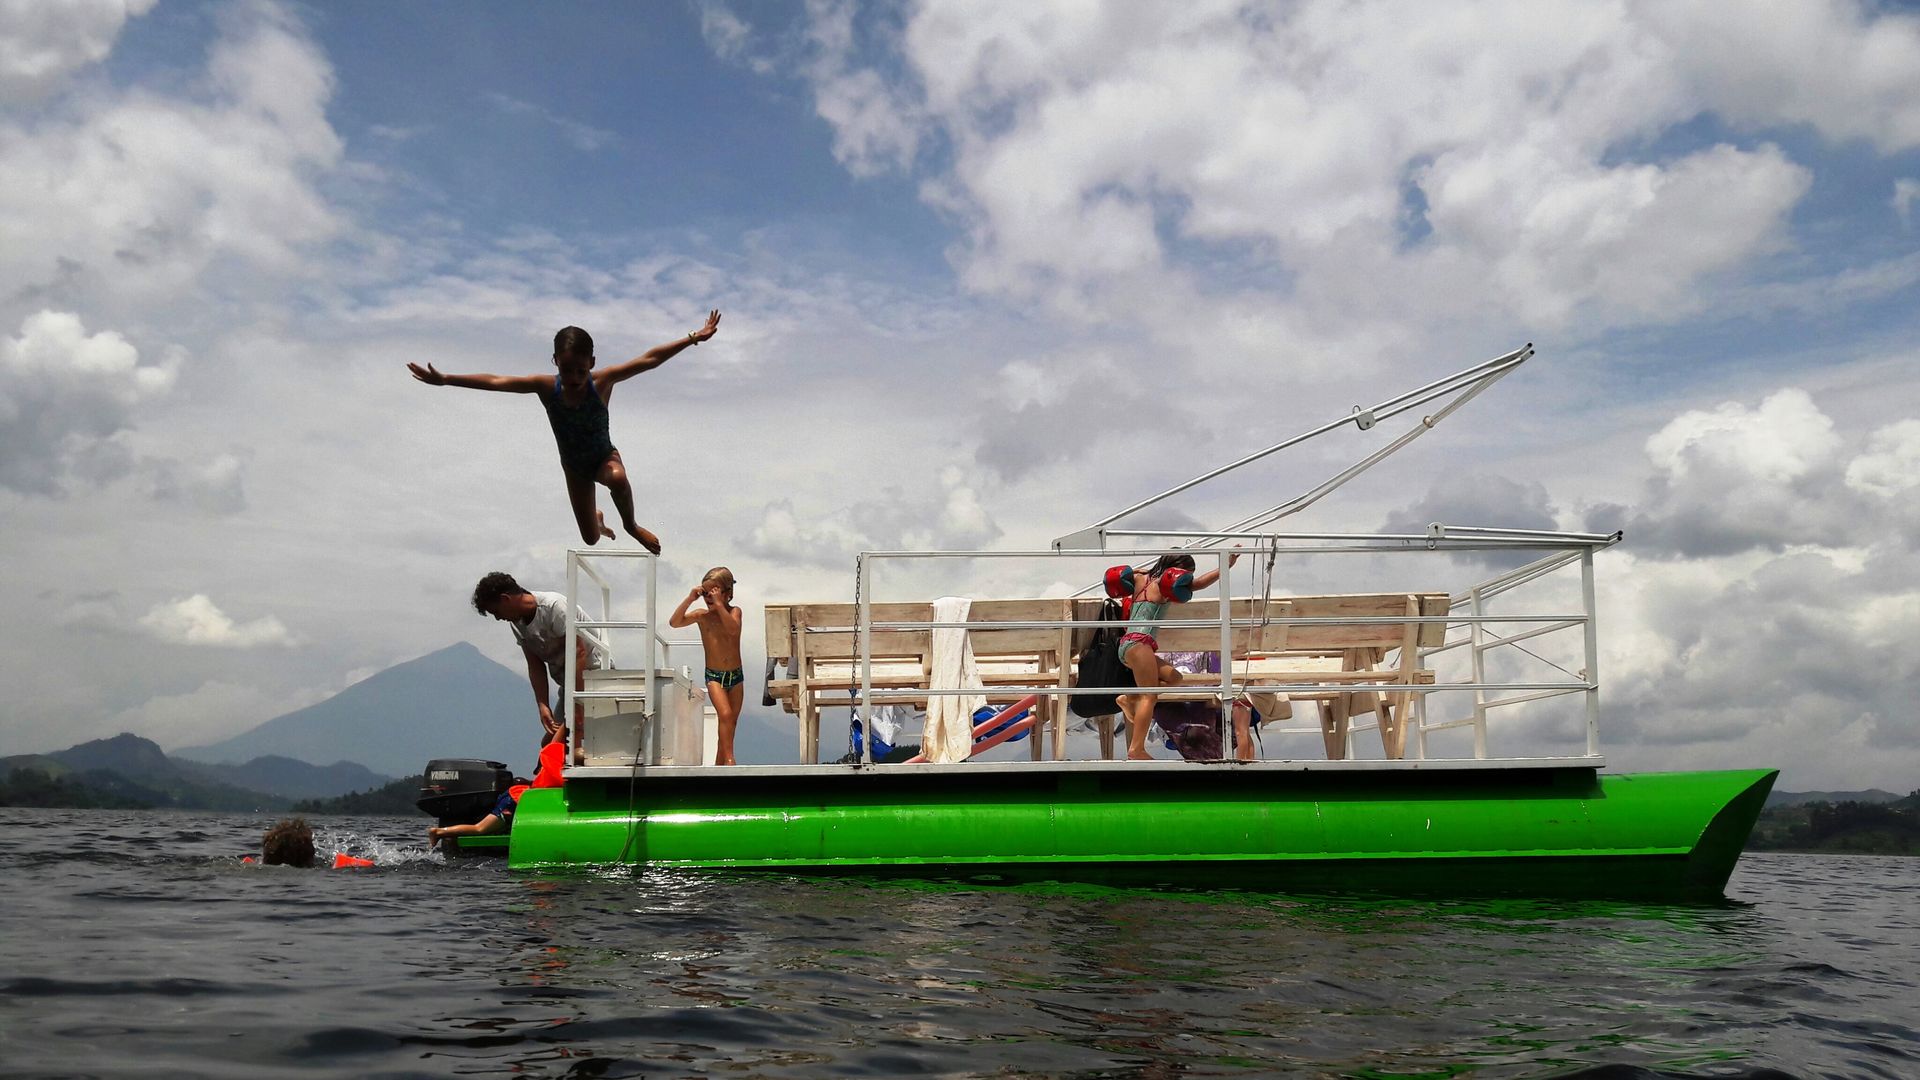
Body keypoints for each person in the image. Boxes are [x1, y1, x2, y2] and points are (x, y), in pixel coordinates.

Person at [407, 312, 722, 552]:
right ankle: (598, 520)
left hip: (603, 458)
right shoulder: (545, 387)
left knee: (617, 478)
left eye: (581, 371)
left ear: (592, 363)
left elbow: (649, 359)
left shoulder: (602, 381)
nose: (573, 377)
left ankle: (631, 526)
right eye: (566, 370)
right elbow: (496, 381)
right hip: (575, 469)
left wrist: (694, 337)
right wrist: (447, 379)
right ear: (555, 361)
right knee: (590, 540)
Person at [1116, 551, 1239, 760]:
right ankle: (1136, 749)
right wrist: (1225, 567)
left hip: (1127, 645)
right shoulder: (1164, 586)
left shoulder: (1139, 578)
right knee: (1150, 697)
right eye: (1186, 575)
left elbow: (1126, 574)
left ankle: (1129, 699)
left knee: (1175, 678)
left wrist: (1143, 569)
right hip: (1141, 644)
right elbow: (1199, 584)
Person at [472, 571, 608, 746]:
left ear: (506, 599)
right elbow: (535, 665)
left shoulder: (554, 607)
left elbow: (579, 653)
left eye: (496, 611)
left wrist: (578, 704)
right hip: (569, 685)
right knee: (549, 743)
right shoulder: (518, 624)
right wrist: (542, 704)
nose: (498, 618)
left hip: (593, 677)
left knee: (561, 743)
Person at [668, 567, 745, 765]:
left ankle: (719, 767)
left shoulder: (735, 612)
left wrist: (719, 605)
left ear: (727, 594)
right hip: (715, 677)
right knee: (725, 715)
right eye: (706, 594)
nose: (709, 599)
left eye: (714, 593)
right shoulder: (702, 616)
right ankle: (729, 761)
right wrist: (689, 599)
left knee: (730, 726)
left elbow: (733, 630)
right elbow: (674, 623)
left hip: (736, 677)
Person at [428, 738, 566, 848]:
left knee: (482, 828)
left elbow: (555, 742)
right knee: (479, 828)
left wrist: (565, 724)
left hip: (515, 796)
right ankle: (439, 832)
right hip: (514, 801)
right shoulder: (559, 773)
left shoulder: (551, 762)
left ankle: (441, 833)